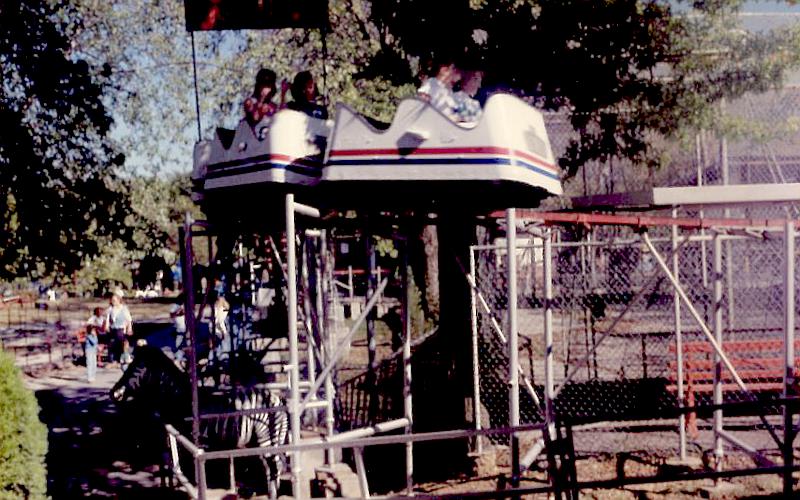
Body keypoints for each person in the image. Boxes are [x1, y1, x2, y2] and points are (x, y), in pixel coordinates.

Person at [417, 57, 461, 121]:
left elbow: (454, 107)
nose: (453, 73)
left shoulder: (447, 89)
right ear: (443, 70)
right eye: (452, 70)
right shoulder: (431, 83)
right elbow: (421, 99)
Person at [104, 289, 132, 363]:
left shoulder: (124, 308)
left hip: (121, 328)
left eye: (115, 300)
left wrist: (129, 328)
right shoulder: (110, 309)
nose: (113, 302)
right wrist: (107, 326)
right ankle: (113, 358)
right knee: (112, 342)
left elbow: (129, 319)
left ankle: (125, 356)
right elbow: (107, 319)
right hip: (113, 328)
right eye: (112, 300)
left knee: (124, 342)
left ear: (119, 300)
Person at [85, 307, 104, 382]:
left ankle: (93, 376)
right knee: (90, 363)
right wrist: (98, 347)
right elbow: (93, 342)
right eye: (93, 331)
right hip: (89, 350)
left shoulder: (95, 335)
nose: (94, 332)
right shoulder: (89, 336)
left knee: (94, 363)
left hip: (93, 350)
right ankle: (90, 377)